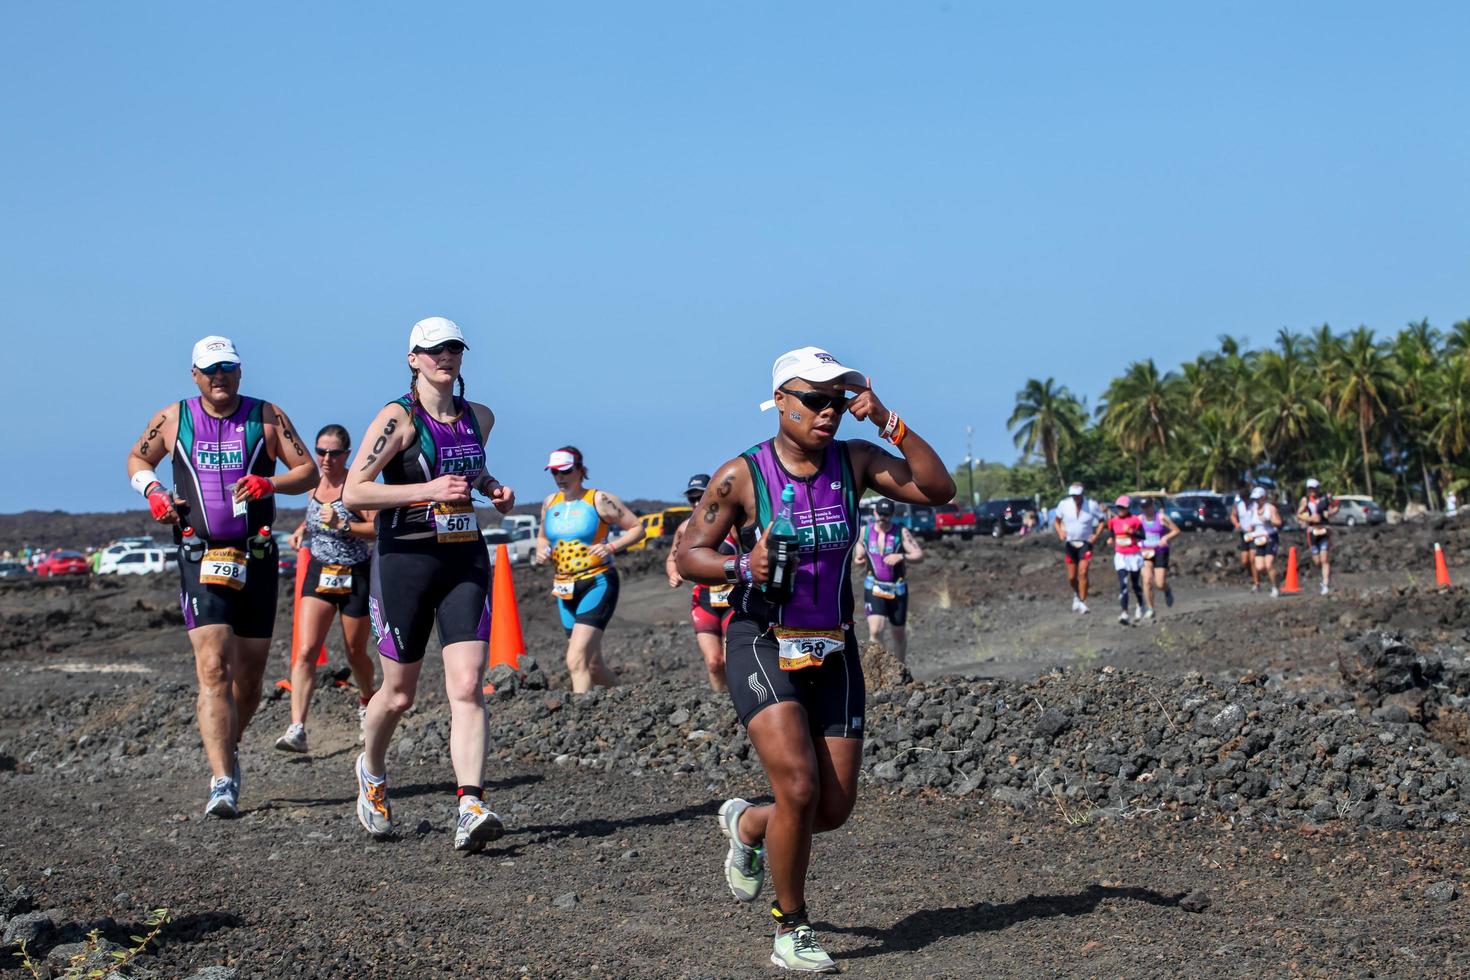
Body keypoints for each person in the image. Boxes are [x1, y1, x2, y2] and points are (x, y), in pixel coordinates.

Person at [677, 346, 954, 973]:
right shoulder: (742, 476)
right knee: (798, 787)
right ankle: (790, 927)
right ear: (780, 402)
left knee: (829, 810)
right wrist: (738, 565)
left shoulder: (854, 462)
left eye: (837, 401)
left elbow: (939, 489)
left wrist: (885, 417)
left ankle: (748, 825)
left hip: (833, 645)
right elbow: (691, 553)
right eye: (814, 400)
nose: (827, 412)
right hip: (761, 640)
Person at [342, 316, 516, 853]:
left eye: (454, 350)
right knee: (398, 695)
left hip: (464, 558)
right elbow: (354, 492)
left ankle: (470, 803)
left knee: (467, 685)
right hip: (405, 562)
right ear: (413, 358)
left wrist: (493, 488)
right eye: (434, 351)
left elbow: (471, 470)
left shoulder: (479, 416)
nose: (446, 358)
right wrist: (425, 491)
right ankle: (371, 770)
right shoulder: (398, 419)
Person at [125, 335, 318, 817]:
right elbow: (137, 458)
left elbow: (309, 472)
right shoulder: (173, 417)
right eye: (210, 369)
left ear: (240, 372)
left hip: (254, 556)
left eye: (227, 368)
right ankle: (222, 780)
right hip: (199, 555)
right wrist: (153, 492)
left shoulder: (267, 416)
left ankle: (228, 745)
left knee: (249, 678)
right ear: (194, 374)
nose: (219, 377)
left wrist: (268, 482)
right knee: (213, 668)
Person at [275, 424, 379, 754]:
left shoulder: (357, 486)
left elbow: (376, 528)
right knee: (305, 650)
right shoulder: (313, 483)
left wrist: (343, 524)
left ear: (347, 454)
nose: (326, 458)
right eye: (321, 451)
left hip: (355, 573)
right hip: (319, 571)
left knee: (355, 652)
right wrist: (301, 529)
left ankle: (367, 703)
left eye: (334, 453)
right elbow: (317, 514)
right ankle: (297, 728)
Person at [533, 447, 644, 692]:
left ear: (581, 470)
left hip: (597, 582)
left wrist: (612, 547)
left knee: (575, 660)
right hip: (564, 589)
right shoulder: (550, 503)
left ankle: (578, 721)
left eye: (565, 471)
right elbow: (542, 537)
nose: (560, 477)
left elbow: (637, 528)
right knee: (593, 666)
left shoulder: (599, 500)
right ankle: (623, 698)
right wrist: (542, 550)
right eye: (554, 473)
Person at [666, 473, 731, 691]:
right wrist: (673, 573)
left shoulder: (731, 523)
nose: (696, 503)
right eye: (691, 499)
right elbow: (671, 557)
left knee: (732, 659)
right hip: (704, 598)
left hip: (734, 597)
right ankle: (719, 701)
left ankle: (739, 705)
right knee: (714, 662)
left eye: (700, 497)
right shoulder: (685, 528)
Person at [853, 498, 924, 662]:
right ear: (875, 512)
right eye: (880, 514)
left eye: (886, 515)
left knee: (898, 632)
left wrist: (901, 556)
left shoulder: (901, 532)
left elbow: (919, 555)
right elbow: (859, 547)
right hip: (874, 586)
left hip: (896, 588)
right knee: (876, 630)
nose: (882, 518)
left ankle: (900, 667)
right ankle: (880, 666)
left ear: (892, 515)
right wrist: (858, 557)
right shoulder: (866, 531)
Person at [1053, 482, 1104, 614]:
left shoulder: (1092, 505)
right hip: (1070, 543)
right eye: (1073, 495)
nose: (1075, 498)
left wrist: (1096, 535)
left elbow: (1102, 521)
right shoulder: (1064, 504)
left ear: (1082, 494)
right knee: (1071, 577)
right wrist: (1060, 532)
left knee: (1083, 571)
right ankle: (1076, 594)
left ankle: (1083, 601)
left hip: (1085, 543)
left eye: (1077, 495)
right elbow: (1056, 521)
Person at [1106, 496, 1147, 624]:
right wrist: (1111, 540)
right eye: (1118, 507)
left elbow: (1143, 536)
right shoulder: (1113, 521)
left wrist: (1132, 532)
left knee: (1135, 584)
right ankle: (1124, 613)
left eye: (1122, 508)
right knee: (1123, 584)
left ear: (1128, 508)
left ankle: (1141, 605)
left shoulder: (1135, 520)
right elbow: (1112, 534)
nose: (1120, 510)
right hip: (1120, 555)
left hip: (1133, 555)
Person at [1137, 497, 1180, 616]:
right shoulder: (1139, 519)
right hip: (1145, 551)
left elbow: (1176, 530)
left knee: (1159, 583)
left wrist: (1165, 538)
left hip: (1160, 551)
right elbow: (1132, 532)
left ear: (1152, 505)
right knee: (1147, 580)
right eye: (1143, 507)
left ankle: (1167, 589)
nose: (1146, 509)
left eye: (1148, 506)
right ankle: (1150, 609)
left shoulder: (1161, 517)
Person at [1296, 478, 1338, 595]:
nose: (1312, 491)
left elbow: (1336, 507)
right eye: (1310, 489)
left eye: (1314, 488)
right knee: (1317, 561)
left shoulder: (1326, 498)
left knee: (1324, 558)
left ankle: (1325, 584)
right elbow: (1299, 515)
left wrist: (1329, 513)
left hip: (1325, 529)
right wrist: (1310, 518)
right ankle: (1326, 574)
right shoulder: (1305, 501)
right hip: (1312, 531)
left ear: (1318, 488)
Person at [1244, 487, 1284, 597]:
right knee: (1260, 567)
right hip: (1258, 539)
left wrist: (1269, 520)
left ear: (1263, 497)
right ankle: (1276, 577)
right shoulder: (1253, 509)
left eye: (1258, 498)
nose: (1256, 501)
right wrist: (1249, 532)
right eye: (1255, 499)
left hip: (1270, 537)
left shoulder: (1270, 508)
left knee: (1269, 564)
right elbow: (1251, 525)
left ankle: (1275, 588)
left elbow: (1279, 522)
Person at [1229, 482, 1259, 591]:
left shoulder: (1254, 504)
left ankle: (1257, 583)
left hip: (1254, 533)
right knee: (1245, 560)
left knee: (1252, 559)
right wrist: (1236, 524)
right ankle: (1253, 575)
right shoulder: (1238, 504)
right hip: (1243, 533)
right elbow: (1232, 515)